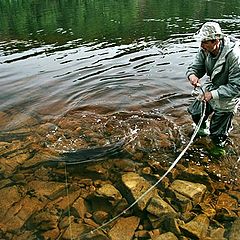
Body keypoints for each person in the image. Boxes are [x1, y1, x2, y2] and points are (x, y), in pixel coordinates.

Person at [186, 21, 240, 156]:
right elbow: (196, 67)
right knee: (196, 112)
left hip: (228, 95)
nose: (201, 45)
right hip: (212, 87)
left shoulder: (234, 56)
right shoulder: (205, 49)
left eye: (205, 42)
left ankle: (218, 148)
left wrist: (212, 94)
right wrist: (192, 76)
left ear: (216, 40)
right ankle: (203, 129)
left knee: (218, 132)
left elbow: (237, 87)